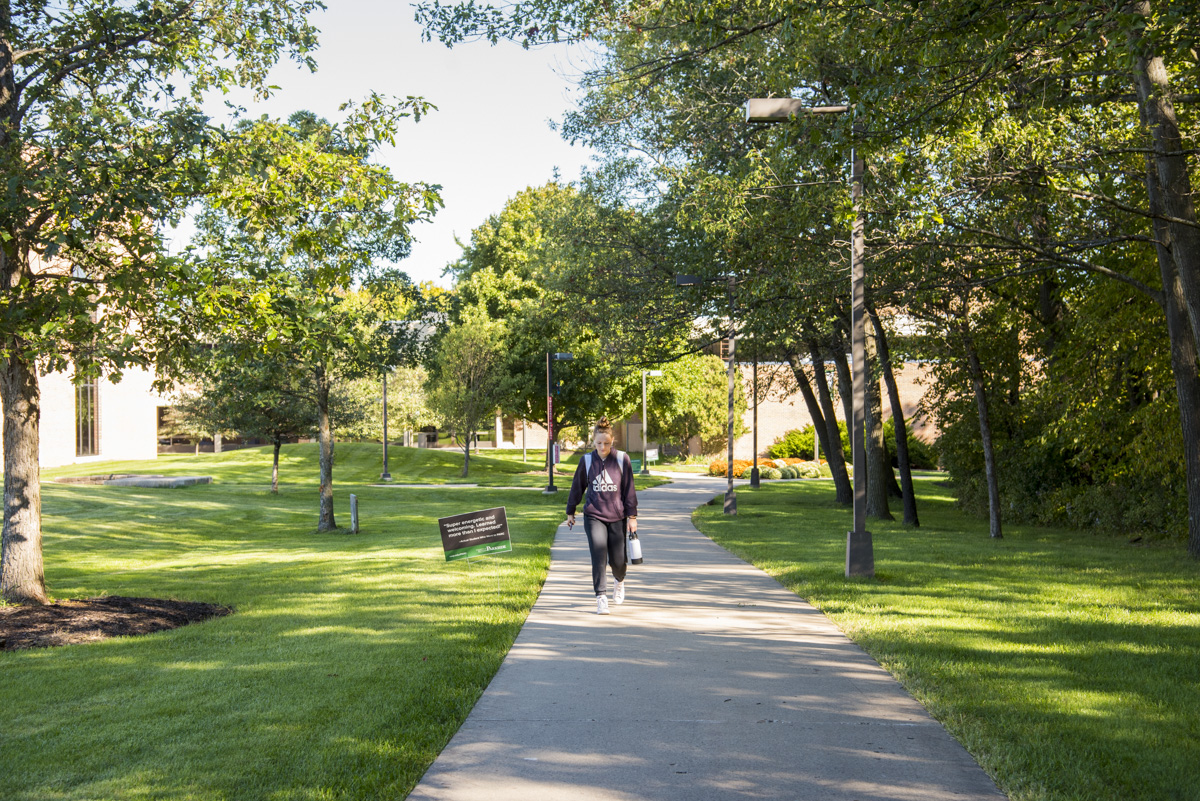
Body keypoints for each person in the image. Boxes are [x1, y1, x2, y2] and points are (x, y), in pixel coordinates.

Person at [566, 417, 638, 615]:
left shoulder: (622, 459)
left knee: (618, 561)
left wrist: (632, 516)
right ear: (593, 442)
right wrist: (571, 511)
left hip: (617, 516)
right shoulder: (587, 460)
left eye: (606, 443)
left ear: (612, 441)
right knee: (598, 555)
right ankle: (601, 597)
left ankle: (619, 580)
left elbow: (629, 490)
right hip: (594, 515)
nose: (602, 447)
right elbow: (577, 487)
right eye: (598, 443)